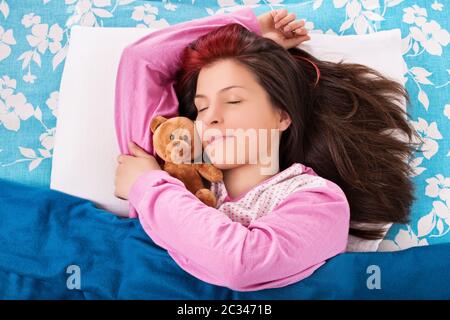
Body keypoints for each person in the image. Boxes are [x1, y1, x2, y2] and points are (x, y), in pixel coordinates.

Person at [114, 7, 421, 291]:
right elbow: (141, 59)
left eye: (233, 100)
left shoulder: (320, 201)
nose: (210, 117)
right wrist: (248, 30)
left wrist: (147, 187)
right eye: (201, 107)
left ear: (282, 115)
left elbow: (240, 263)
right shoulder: (177, 166)